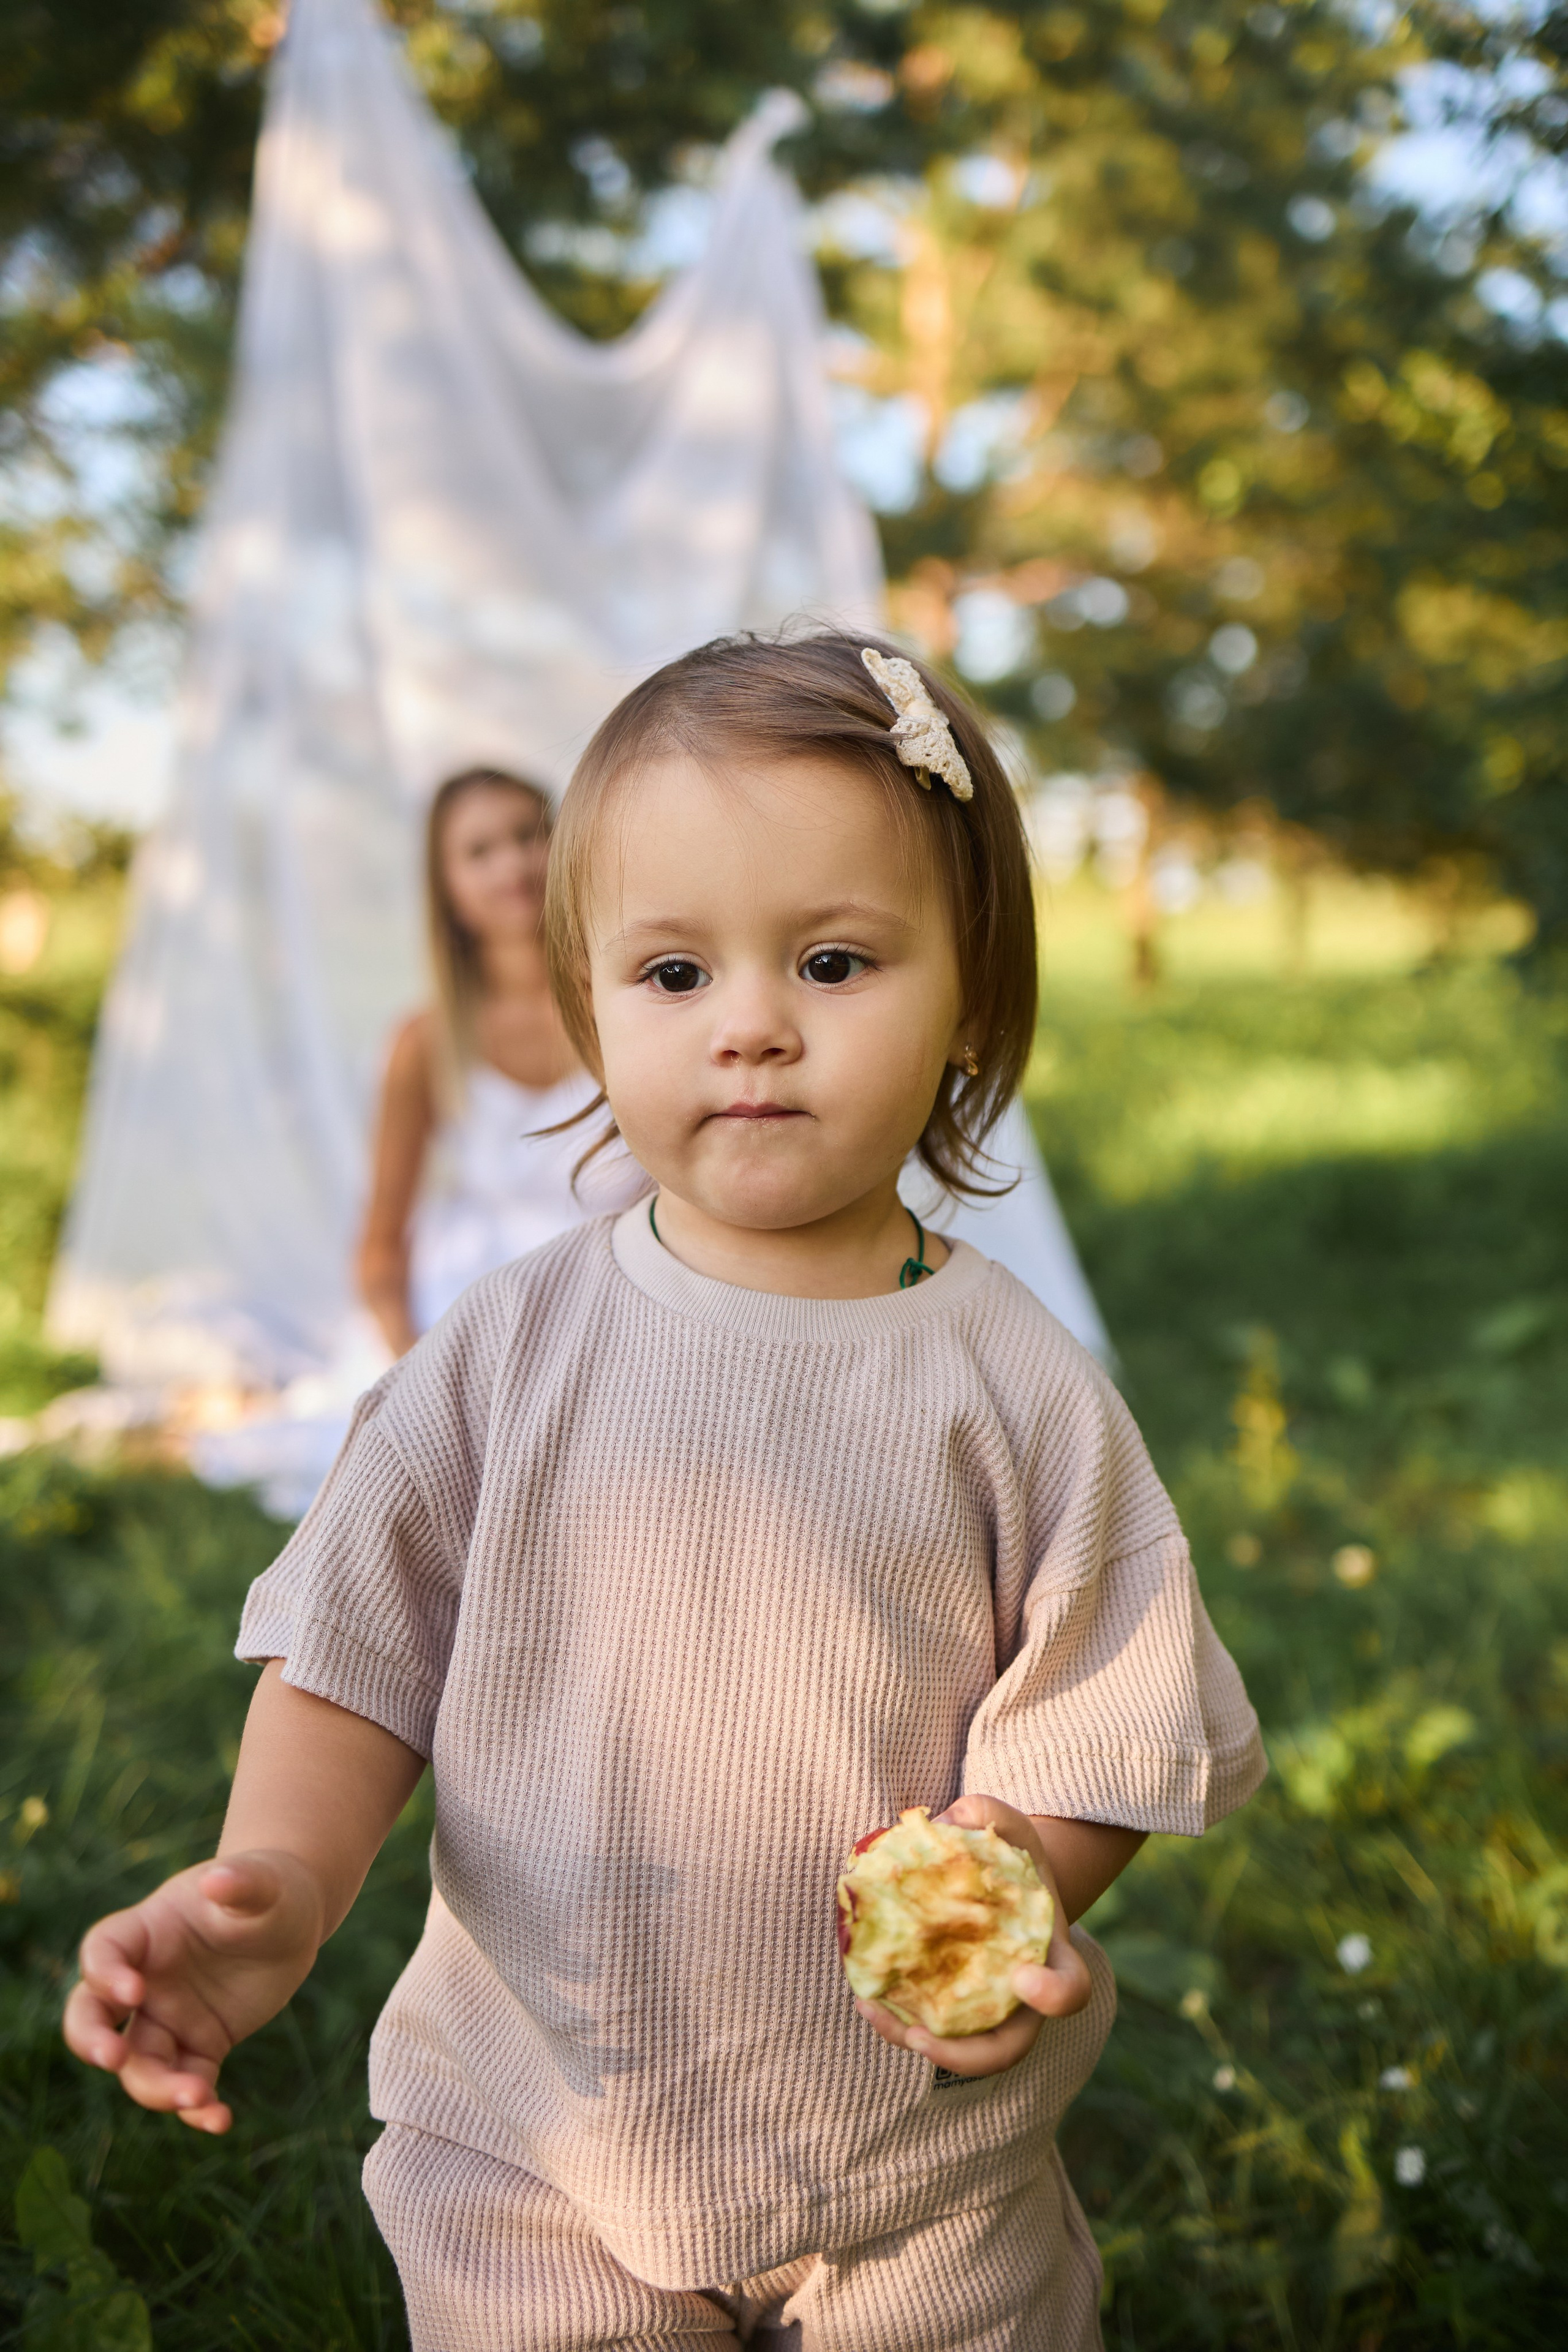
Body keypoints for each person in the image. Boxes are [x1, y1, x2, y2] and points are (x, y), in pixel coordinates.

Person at [66, 633, 1265, 2351]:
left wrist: (1011, 1875)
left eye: (836, 961)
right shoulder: (511, 1348)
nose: (756, 1028)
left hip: (920, 2157)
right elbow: (357, 1642)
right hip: (540, 2128)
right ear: (587, 1008)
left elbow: (1099, 1711)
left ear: (972, 1007)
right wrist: (277, 1877)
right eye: (676, 974)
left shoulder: (1015, 1382)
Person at [358, 764, 638, 1358]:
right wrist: (414, 1363)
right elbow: (379, 1247)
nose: (512, 866)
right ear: (448, 890)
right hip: (471, 1331)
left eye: (528, 835)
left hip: (625, 1325)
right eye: (479, 852)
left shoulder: (636, 1006)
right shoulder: (424, 1044)